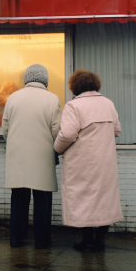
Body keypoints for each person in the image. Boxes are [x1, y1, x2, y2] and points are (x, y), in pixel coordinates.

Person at [54, 69, 122, 251]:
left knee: (83, 198)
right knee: (105, 199)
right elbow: (117, 130)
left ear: (75, 86)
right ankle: (100, 240)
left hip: (81, 161)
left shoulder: (73, 106)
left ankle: (87, 240)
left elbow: (67, 134)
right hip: (105, 161)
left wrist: (56, 148)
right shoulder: (108, 103)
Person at [2, 63, 61, 249]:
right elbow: (57, 130)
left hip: (17, 157)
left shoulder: (13, 97)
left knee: (18, 200)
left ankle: (16, 239)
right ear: (45, 80)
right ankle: (42, 241)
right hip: (42, 158)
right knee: (42, 201)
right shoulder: (52, 99)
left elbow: (5, 128)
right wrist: (55, 149)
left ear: (27, 79)